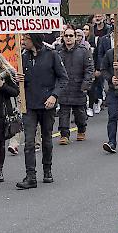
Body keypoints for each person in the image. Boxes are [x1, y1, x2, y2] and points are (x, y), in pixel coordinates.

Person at [16, 33, 68, 189]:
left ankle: (47, 170)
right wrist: (18, 81)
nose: (23, 41)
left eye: (26, 39)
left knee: (46, 139)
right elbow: (21, 82)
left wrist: (54, 96)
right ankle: (30, 176)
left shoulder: (52, 55)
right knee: (29, 141)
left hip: (47, 104)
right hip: (29, 105)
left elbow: (63, 78)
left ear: (35, 40)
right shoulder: (23, 57)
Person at [56, 27, 94, 145]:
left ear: (75, 37)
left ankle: (81, 130)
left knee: (80, 113)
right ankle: (64, 134)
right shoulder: (58, 52)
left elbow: (89, 68)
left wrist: (86, 84)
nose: (68, 38)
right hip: (64, 87)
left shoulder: (83, 51)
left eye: (71, 36)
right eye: (66, 36)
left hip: (79, 87)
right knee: (64, 113)